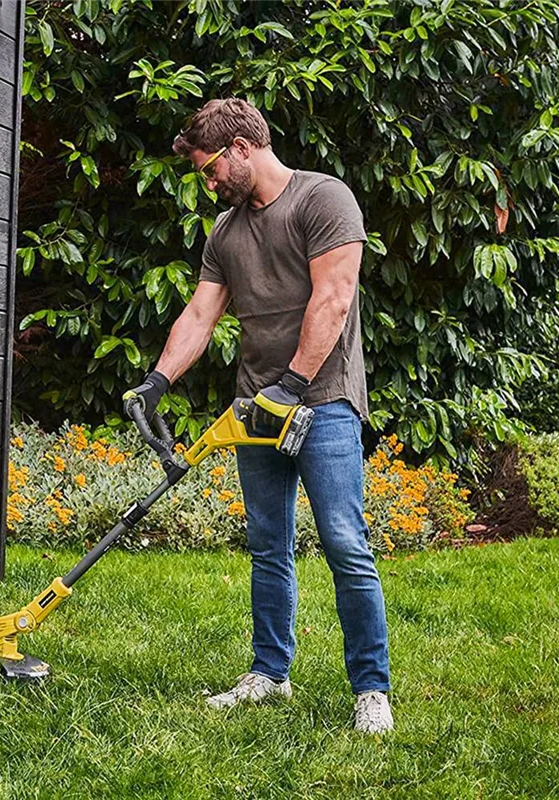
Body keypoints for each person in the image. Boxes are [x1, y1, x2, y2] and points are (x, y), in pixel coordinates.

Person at [125, 98, 392, 734]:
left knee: (344, 543)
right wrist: (158, 381)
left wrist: (293, 385)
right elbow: (199, 314)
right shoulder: (225, 231)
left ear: (243, 148)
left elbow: (334, 297)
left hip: (323, 400)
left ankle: (371, 689)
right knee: (268, 545)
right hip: (256, 405)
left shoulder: (324, 201)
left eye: (211, 167)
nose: (208, 180)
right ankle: (270, 673)